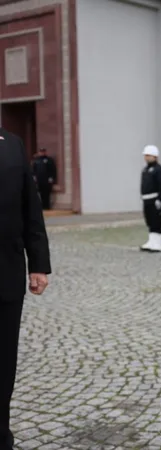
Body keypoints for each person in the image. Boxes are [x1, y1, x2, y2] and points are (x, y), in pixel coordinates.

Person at [0, 128, 51, 450]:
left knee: (3, 364)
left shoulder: (13, 145)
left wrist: (39, 264)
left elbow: (31, 208)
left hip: (6, 272)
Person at [139, 145, 161, 252]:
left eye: (148, 155)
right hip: (146, 199)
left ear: (154, 156)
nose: (146, 157)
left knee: (156, 221)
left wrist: (160, 199)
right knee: (149, 220)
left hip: (155, 199)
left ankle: (159, 242)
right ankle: (152, 241)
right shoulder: (145, 169)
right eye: (145, 155)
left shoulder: (159, 169)